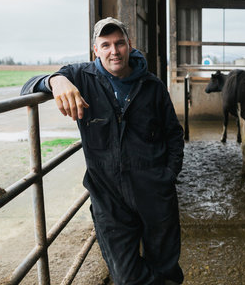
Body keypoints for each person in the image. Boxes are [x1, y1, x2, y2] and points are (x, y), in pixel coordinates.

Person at [21, 17, 184, 285]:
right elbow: (27, 86)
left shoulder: (152, 86)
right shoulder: (80, 78)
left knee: (166, 268)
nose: (114, 51)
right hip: (109, 198)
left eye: (120, 43)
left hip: (154, 192)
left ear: (130, 46)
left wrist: (168, 176)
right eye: (105, 45)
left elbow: (174, 134)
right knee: (125, 276)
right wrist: (56, 81)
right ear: (95, 50)